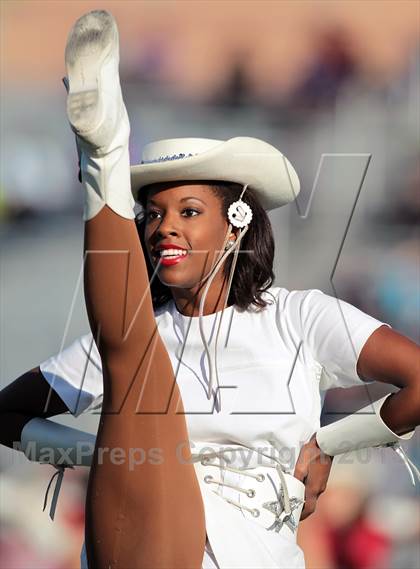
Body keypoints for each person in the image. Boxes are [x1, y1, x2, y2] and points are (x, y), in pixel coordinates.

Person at [1, 9, 419, 569]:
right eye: (149, 216)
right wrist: (98, 457)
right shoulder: (140, 333)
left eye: (189, 211)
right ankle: (101, 153)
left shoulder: (300, 318)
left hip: (247, 543)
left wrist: (331, 444)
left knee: (131, 354)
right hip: (133, 534)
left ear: (236, 220)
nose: (163, 227)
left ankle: (103, 158)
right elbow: (6, 415)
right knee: (131, 356)